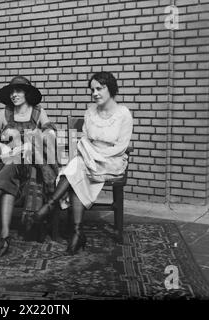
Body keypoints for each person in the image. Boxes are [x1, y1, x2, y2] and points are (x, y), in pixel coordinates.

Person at [29, 71, 133, 255]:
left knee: (76, 167)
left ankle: (51, 205)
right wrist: (88, 153)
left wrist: (94, 155)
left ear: (111, 88)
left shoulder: (123, 114)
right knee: (78, 167)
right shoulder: (90, 112)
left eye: (100, 88)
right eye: (92, 89)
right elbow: (85, 139)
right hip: (88, 158)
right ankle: (77, 233)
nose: (95, 93)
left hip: (111, 161)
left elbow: (122, 146)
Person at [0, 76, 58, 257]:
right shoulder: (5, 113)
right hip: (11, 162)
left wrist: (34, 136)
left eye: (19, 91)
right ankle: (5, 234)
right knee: (9, 180)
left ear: (27, 93)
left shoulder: (38, 112)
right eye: (12, 92)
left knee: (12, 165)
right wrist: (0, 146)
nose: (14, 95)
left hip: (33, 165)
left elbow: (50, 135)